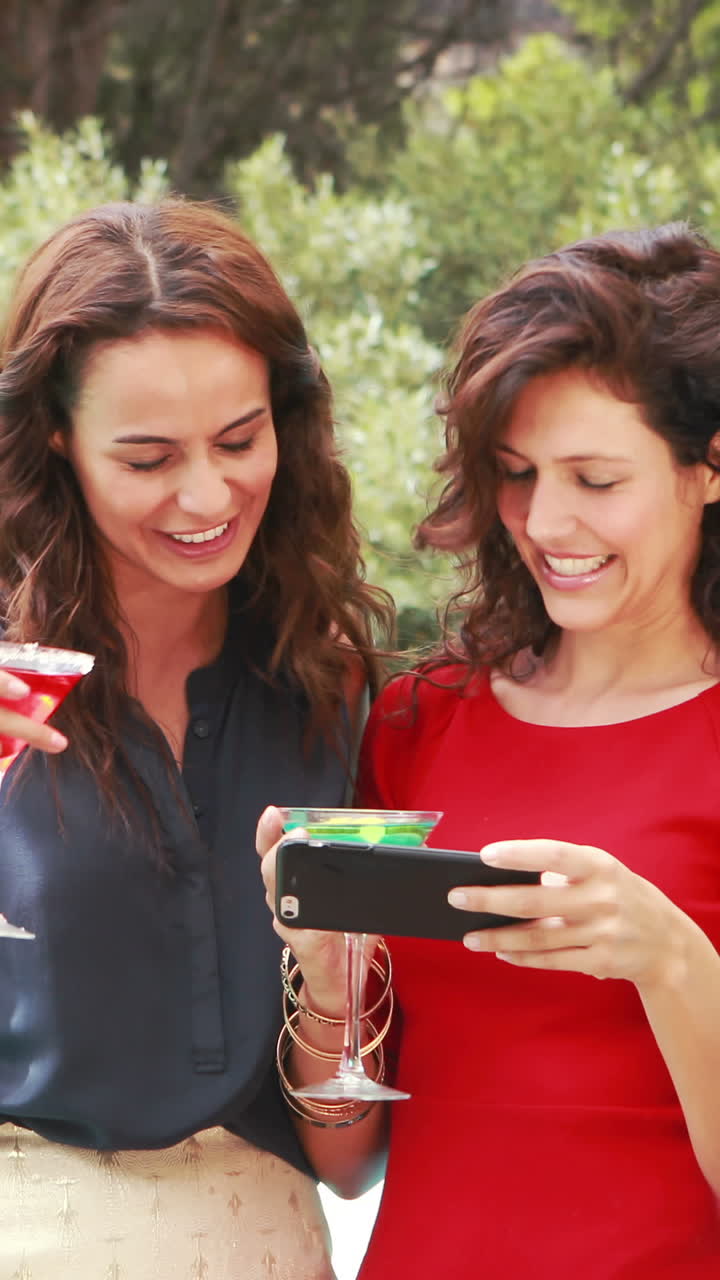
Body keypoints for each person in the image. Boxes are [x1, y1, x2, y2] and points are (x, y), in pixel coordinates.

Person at [258, 221, 720, 1278]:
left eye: (595, 479)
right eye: (515, 472)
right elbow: (347, 1155)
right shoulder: (424, 715)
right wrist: (327, 983)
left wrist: (667, 953)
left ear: (709, 468)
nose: (545, 520)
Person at [0, 197, 392, 1280]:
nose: (208, 493)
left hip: (267, 1241)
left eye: (239, 438)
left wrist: (332, 982)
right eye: (147, 456)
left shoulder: (338, 688)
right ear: (53, 438)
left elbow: (350, 1159)